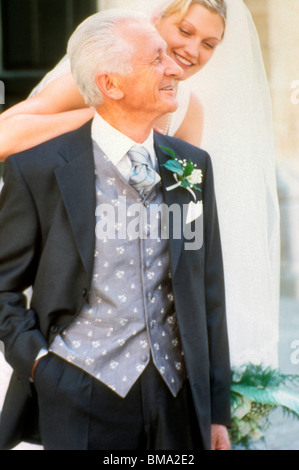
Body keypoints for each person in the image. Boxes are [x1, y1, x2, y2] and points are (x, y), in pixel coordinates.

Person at [0, 0, 280, 371]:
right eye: (185, 31)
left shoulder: (186, 110)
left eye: (210, 44)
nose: (193, 51)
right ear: (154, 22)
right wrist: (110, 114)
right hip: (51, 246)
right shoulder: (103, 76)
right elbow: (5, 138)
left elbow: (183, 214)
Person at [0, 9, 231, 450]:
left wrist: (215, 410)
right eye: (156, 59)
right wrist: (40, 366)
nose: (175, 67)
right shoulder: (39, 171)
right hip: (80, 390)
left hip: (177, 398)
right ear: (110, 85)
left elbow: (207, 287)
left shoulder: (190, 166)